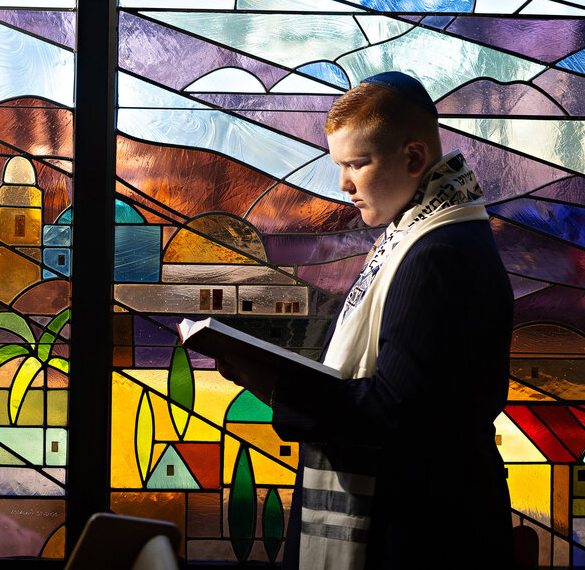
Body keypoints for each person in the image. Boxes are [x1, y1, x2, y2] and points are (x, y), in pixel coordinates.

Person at [218, 72, 513, 570]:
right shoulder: (423, 235)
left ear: (413, 158)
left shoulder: (437, 253)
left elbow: (395, 412)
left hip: (419, 534)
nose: (343, 184)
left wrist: (273, 385)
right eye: (339, 165)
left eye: (356, 164)